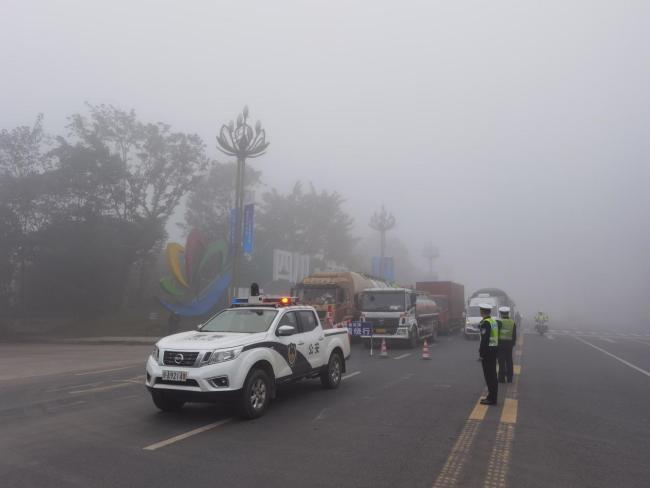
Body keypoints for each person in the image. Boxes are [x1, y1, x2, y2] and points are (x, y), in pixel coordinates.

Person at [478, 303, 499, 405]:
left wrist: (481, 353)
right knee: (493, 375)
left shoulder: (486, 323)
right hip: (493, 350)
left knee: (489, 376)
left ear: (482, 311)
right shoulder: (493, 321)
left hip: (488, 352)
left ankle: (492, 399)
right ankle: (491, 396)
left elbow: (485, 340)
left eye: (481, 310)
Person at [497, 306, 517, 383]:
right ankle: (510, 378)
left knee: (501, 361)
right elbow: (514, 335)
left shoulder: (499, 322)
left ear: (501, 313)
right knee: (509, 360)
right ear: (508, 313)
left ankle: (501, 378)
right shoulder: (512, 322)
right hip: (509, 344)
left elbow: (496, 334)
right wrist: (513, 343)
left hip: (501, 344)